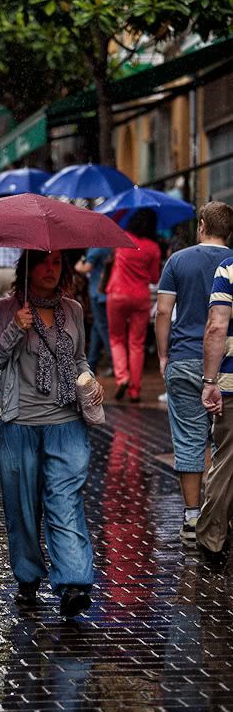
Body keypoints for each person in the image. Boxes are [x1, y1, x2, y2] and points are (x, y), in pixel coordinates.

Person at [0, 250, 103, 618]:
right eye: (42, 263)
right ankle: (28, 576)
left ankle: (74, 584)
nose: (50, 270)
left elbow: (79, 359)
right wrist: (15, 329)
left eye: (56, 264)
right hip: (19, 425)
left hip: (66, 423)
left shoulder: (73, 310)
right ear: (28, 268)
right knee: (22, 508)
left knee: (65, 502)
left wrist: (89, 379)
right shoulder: (4, 311)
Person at [155, 201, 233, 546]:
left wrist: (162, 354)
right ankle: (219, 516)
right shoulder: (230, 264)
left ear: (201, 224)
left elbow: (162, 310)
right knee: (224, 443)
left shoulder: (178, 261)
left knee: (189, 439)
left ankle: (191, 517)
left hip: (185, 357)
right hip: (227, 362)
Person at [196, 253, 233, 555]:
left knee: (226, 460)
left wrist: (210, 381)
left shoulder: (229, 268)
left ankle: (212, 539)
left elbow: (217, 326)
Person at [106, 209, 161, 402]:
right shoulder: (153, 248)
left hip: (117, 293)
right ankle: (135, 390)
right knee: (137, 343)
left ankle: (123, 377)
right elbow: (154, 278)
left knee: (116, 338)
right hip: (140, 297)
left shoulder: (123, 239)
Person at [75, 248, 113, 375]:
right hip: (107, 293)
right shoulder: (110, 246)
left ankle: (115, 362)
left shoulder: (96, 248)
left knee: (103, 328)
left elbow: (84, 268)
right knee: (97, 328)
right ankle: (92, 362)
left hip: (97, 293)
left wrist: (79, 262)